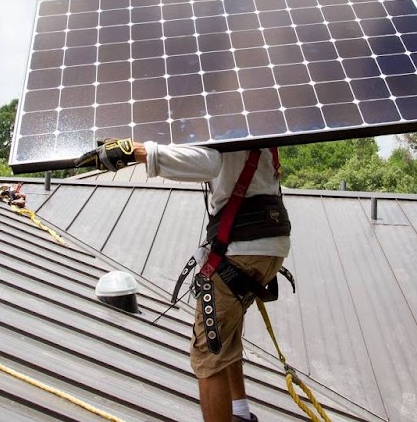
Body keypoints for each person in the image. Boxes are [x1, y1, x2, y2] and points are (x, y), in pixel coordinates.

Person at [77, 139, 292, 422]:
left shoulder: (227, 115)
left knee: (207, 353)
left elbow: (208, 162)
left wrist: (139, 152)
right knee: (225, 336)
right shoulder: (256, 120)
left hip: (243, 245)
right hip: (268, 244)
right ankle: (239, 411)